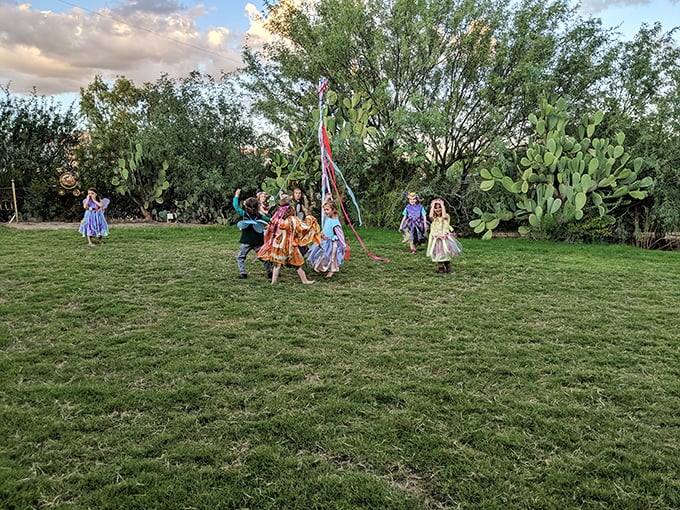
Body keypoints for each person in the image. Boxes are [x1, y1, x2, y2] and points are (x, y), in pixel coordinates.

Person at [258, 195, 322, 285]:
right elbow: (303, 227)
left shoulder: (277, 219)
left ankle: (273, 282)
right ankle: (304, 280)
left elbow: (271, 228)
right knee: (297, 264)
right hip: (291, 246)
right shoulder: (293, 220)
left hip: (279, 245)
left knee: (277, 264)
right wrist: (310, 218)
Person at [233, 188, 272, 280]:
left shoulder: (244, 214)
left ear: (246, 207)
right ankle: (270, 272)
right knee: (262, 257)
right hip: (258, 240)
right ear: (258, 206)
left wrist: (236, 195)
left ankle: (243, 273)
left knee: (240, 257)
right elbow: (270, 220)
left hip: (247, 240)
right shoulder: (260, 216)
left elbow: (236, 206)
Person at [306, 198, 347, 278]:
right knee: (321, 254)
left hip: (331, 243)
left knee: (331, 257)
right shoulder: (328, 217)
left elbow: (340, 235)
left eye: (327, 210)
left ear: (333, 210)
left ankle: (332, 270)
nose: (325, 212)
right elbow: (323, 207)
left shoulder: (335, 223)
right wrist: (326, 199)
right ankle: (321, 266)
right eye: (325, 210)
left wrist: (344, 245)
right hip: (323, 241)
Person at [426, 198, 463, 273]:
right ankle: (441, 268)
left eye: (439, 208)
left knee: (445, 253)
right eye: (436, 208)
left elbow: (443, 216)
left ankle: (448, 266)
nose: (438, 210)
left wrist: (442, 205)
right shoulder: (434, 218)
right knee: (437, 253)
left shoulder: (446, 216)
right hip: (436, 238)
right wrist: (432, 205)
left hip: (444, 238)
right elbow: (430, 216)